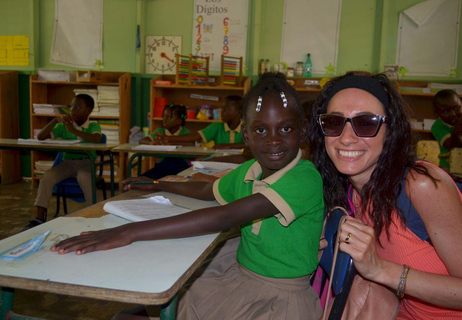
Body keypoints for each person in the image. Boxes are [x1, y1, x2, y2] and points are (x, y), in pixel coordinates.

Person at [51, 73, 325, 320]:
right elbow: (208, 190)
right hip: (242, 276)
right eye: (261, 130)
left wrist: (130, 231)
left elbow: (225, 215)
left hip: (280, 300)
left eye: (286, 129)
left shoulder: (303, 178)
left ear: (302, 130)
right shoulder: (251, 170)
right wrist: (161, 184)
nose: (274, 140)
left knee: (169, 296)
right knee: (166, 289)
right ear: (245, 135)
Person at [307, 72, 462, 319]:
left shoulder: (419, 186)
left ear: (390, 130)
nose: (346, 138)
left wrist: (381, 269)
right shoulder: (347, 192)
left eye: (366, 123)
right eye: (334, 122)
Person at [26, 94, 102, 229]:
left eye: (78, 107)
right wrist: (54, 121)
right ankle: (39, 217)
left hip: (86, 162)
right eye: (71, 106)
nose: (73, 109)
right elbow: (41, 137)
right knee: (47, 177)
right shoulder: (63, 126)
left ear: (88, 110)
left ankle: (93, 214)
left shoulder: (93, 125)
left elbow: (96, 139)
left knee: (85, 177)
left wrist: (73, 130)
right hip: (68, 162)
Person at [160, 95, 246, 150]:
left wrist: (228, 146)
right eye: (222, 109)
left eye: (226, 109)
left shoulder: (246, 127)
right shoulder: (217, 127)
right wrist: (169, 138)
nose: (222, 112)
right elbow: (195, 136)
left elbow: (249, 144)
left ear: (238, 112)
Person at [431, 89, 462, 175]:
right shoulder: (437, 126)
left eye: (456, 108)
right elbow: (454, 146)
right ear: (436, 113)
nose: (453, 114)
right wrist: (455, 133)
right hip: (448, 165)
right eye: (446, 111)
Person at [139, 104, 191, 180]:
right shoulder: (160, 132)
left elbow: (191, 143)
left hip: (181, 168)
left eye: (168, 117)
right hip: (162, 167)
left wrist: (171, 143)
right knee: (143, 179)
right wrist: (151, 143)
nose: (164, 120)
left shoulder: (185, 132)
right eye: (164, 117)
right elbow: (142, 140)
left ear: (179, 121)